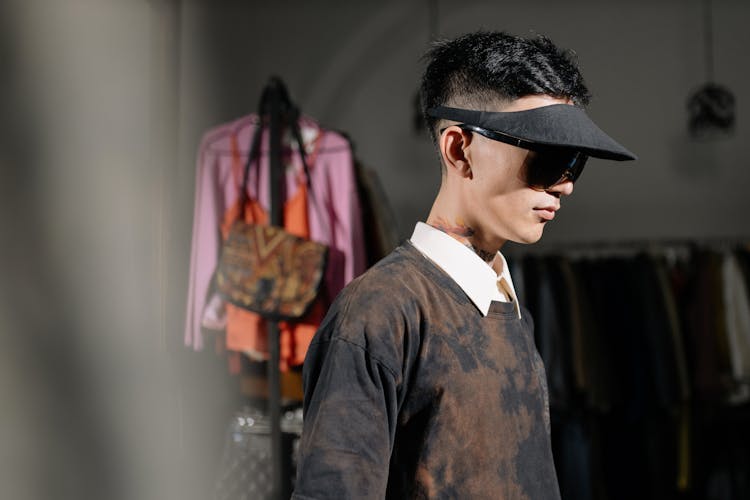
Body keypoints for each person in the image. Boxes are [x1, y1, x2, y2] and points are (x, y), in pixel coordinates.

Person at [291, 30, 635, 499]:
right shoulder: (380, 312)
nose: (565, 184)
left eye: (575, 161)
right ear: (459, 150)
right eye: (549, 156)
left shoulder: (507, 307)